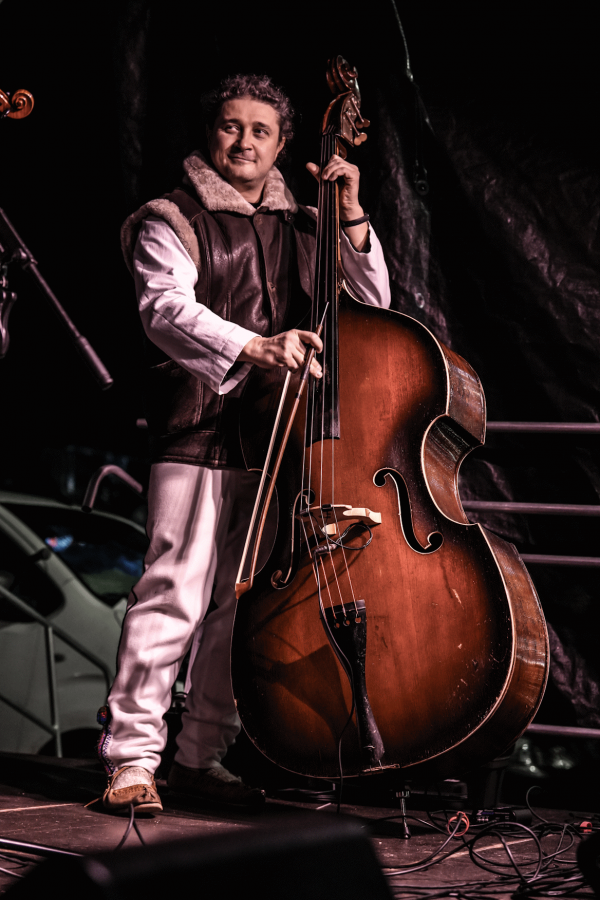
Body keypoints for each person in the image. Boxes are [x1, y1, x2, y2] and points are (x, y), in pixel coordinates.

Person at [99, 73, 391, 814]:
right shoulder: (173, 217)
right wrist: (256, 346)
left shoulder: (310, 223)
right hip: (197, 428)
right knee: (174, 592)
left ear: (284, 144)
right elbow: (164, 308)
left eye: (261, 130)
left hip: (277, 440)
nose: (244, 142)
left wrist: (351, 217)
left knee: (240, 606)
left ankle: (199, 756)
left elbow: (373, 304)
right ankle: (131, 759)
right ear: (211, 133)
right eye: (232, 126)